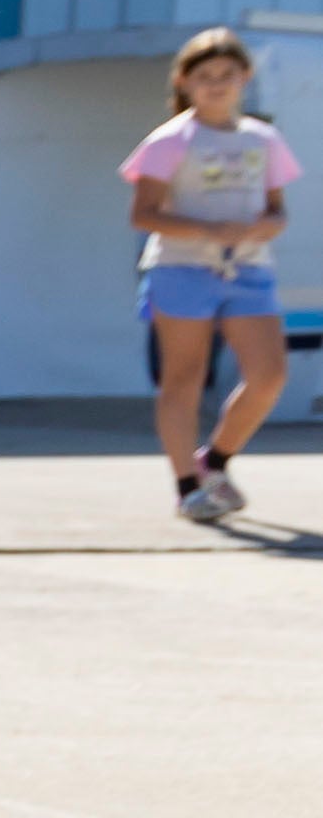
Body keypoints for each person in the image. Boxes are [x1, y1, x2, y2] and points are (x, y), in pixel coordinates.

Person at [126, 27, 293, 523]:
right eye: (205, 76)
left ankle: (215, 461)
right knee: (185, 379)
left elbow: (278, 211)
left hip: (247, 269)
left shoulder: (262, 139)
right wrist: (205, 228)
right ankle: (186, 487)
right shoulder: (171, 139)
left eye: (227, 75)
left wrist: (262, 228)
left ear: (245, 77)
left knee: (269, 375)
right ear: (185, 81)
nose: (217, 84)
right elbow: (144, 213)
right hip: (181, 268)